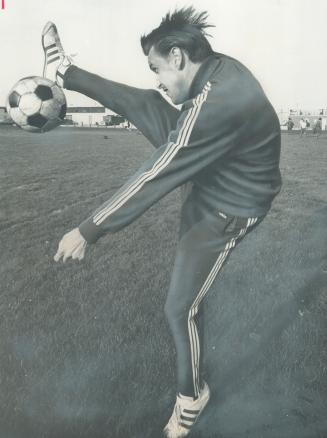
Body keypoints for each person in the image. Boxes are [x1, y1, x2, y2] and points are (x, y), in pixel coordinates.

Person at [45, 7, 282, 437]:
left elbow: (158, 172)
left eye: (156, 67)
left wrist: (87, 230)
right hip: (218, 174)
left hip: (227, 208)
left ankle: (192, 397)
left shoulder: (220, 100)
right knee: (151, 102)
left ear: (177, 57)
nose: (156, 76)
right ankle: (66, 72)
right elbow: (166, 121)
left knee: (180, 308)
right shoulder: (216, 70)